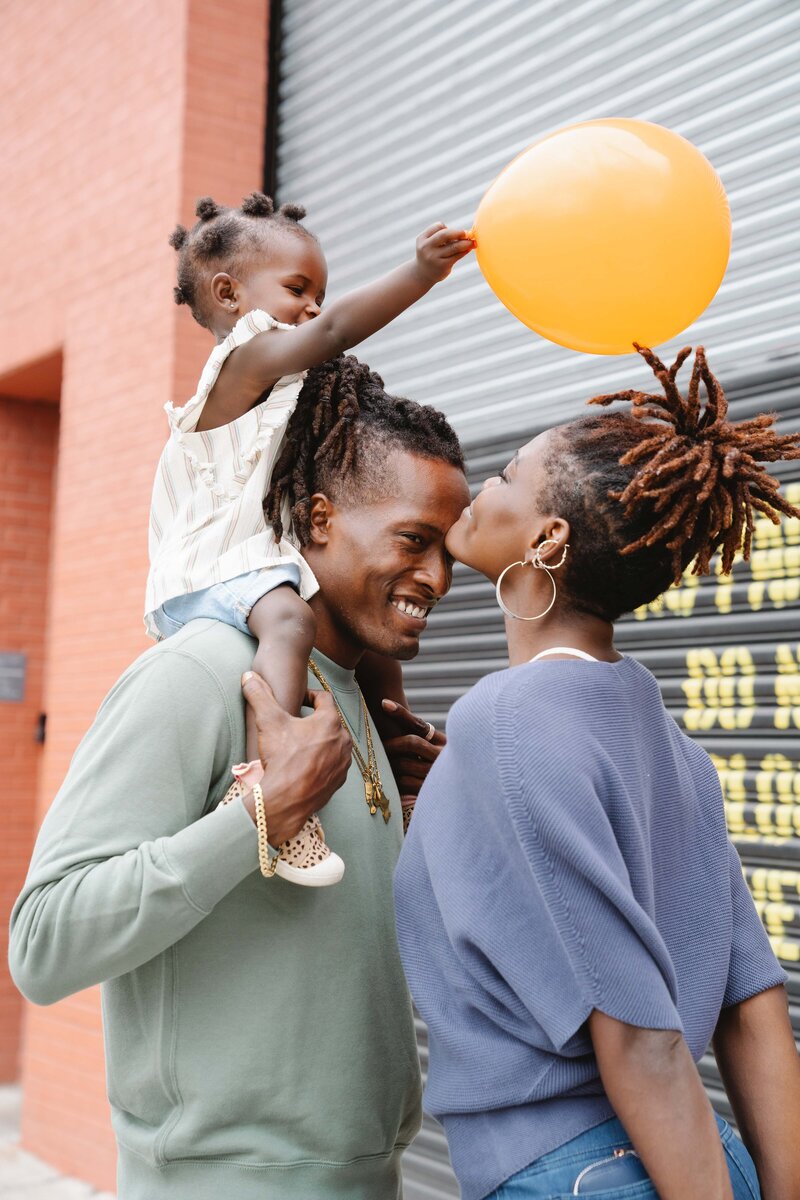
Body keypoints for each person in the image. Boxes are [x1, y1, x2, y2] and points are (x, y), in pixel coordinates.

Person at [9, 357, 471, 1200]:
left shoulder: (354, 698)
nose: (439, 577)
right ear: (321, 520)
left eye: (450, 547)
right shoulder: (202, 675)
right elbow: (42, 943)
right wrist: (256, 816)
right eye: (414, 540)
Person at [394, 345, 800, 1200]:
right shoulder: (673, 747)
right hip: (702, 1164)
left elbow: (643, 1038)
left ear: (547, 538)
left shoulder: (505, 719)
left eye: (504, 475)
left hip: (579, 1175)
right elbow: (753, 1006)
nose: (481, 488)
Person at [147, 191, 473, 884]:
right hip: (208, 569)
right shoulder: (242, 363)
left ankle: (400, 766)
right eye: (299, 289)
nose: (315, 308)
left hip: (255, 561)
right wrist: (419, 273)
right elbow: (330, 338)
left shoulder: (281, 390)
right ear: (229, 293)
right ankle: (270, 780)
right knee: (291, 619)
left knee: (373, 658)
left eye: (319, 292)